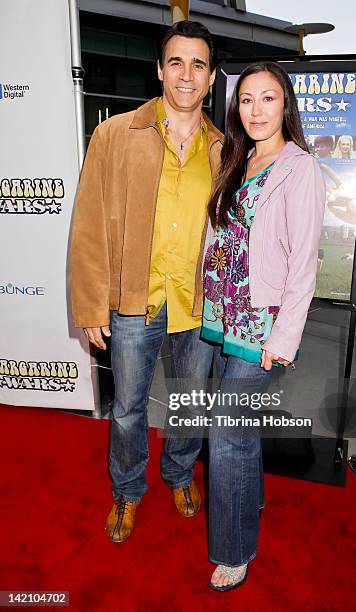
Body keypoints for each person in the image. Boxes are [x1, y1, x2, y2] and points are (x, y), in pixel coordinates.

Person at [70, 21, 222, 542]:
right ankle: (128, 490)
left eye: (197, 64)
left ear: (211, 77)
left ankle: (180, 474)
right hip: (135, 300)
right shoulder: (115, 134)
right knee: (129, 408)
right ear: (159, 69)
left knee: (189, 402)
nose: (186, 74)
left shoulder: (226, 149)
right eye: (176, 62)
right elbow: (88, 223)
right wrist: (90, 305)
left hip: (198, 305)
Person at [202, 61, 326, 590]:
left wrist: (284, 339)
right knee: (241, 433)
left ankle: (234, 548)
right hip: (227, 313)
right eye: (246, 99)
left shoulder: (300, 168)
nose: (255, 110)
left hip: (264, 325)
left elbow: (304, 263)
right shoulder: (241, 157)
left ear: (285, 105)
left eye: (267, 98)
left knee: (226, 431)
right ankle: (248, 501)